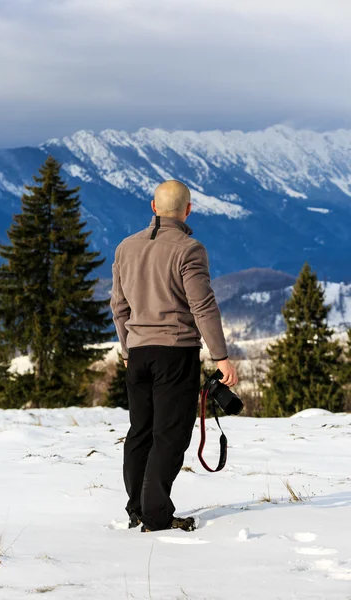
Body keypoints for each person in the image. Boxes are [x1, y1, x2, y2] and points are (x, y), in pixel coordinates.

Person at [110, 180, 238, 532]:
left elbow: (118, 307)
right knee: (171, 434)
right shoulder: (189, 248)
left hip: (137, 353)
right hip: (175, 353)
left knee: (141, 431)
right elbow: (202, 305)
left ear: (153, 207)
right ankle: (155, 516)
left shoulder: (125, 248)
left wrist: (127, 347)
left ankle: (138, 509)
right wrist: (221, 356)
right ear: (188, 210)